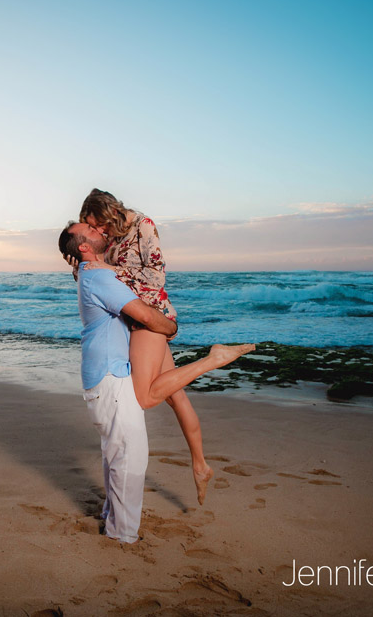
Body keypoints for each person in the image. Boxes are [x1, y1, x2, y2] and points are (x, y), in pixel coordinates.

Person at [58, 221, 255, 543]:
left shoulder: (95, 275)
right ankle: (122, 535)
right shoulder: (97, 278)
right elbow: (147, 317)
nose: (99, 230)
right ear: (83, 247)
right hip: (110, 376)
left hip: (104, 375)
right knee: (129, 459)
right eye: (92, 230)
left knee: (115, 454)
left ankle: (112, 518)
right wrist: (172, 330)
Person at [70, 189, 214, 505]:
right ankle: (200, 465)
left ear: (107, 211)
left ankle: (212, 360)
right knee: (175, 396)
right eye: (94, 228)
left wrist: (111, 270)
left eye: (98, 224)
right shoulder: (111, 237)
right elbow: (99, 279)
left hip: (150, 318)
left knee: (146, 396)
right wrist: (80, 260)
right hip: (136, 317)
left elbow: (155, 277)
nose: (100, 232)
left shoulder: (143, 225)